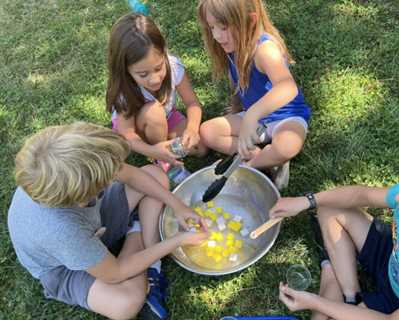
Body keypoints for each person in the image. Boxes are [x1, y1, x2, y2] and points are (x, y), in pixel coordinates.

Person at [8, 122, 208, 320]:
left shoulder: (79, 161)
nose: (114, 177)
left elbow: (131, 175)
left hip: (91, 225)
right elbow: (115, 273)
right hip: (63, 267)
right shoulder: (61, 229)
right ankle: (136, 233)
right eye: (106, 181)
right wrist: (178, 240)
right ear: (83, 195)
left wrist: (178, 206)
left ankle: (143, 252)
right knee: (125, 304)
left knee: (155, 176)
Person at [270, 138, 399, 319]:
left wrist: (316, 303)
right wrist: (306, 201)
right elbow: (362, 196)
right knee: (329, 207)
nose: (398, 199)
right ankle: (351, 296)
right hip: (392, 255)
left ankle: (333, 278)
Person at [197, 0, 311, 189]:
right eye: (212, 27)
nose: (216, 35)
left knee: (287, 145)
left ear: (250, 21)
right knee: (208, 132)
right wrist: (242, 112)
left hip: (287, 117)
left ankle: (249, 167)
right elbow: (242, 84)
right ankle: (264, 158)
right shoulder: (232, 45)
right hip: (256, 120)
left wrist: (251, 115)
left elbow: (288, 88)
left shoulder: (265, 49)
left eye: (223, 27)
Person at [106, 13, 207, 174]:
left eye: (158, 68)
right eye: (143, 74)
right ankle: (161, 159)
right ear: (126, 69)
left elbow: (192, 103)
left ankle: (164, 142)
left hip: (166, 118)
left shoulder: (173, 67)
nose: (154, 80)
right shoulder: (123, 91)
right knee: (154, 112)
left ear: (163, 52)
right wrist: (153, 151)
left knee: (200, 148)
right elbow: (127, 134)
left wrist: (192, 129)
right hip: (137, 129)